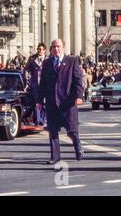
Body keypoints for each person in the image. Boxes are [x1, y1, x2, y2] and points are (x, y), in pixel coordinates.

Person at [36, 39, 84, 167]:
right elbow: (43, 84)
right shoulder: (47, 63)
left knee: (72, 131)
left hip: (67, 102)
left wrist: (79, 96)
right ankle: (55, 157)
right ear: (51, 49)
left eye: (58, 46)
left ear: (63, 47)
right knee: (53, 131)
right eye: (53, 47)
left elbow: (78, 80)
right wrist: (39, 101)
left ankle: (77, 146)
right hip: (52, 102)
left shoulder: (72, 61)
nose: (56, 49)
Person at [23, 43, 47, 126]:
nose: (39, 51)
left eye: (41, 49)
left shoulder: (48, 59)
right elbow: (26, 69)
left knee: (44, 103)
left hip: (45, 85)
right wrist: (27, 80)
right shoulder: (32, 59)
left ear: (44, 50)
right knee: (37, 102)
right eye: (38, 49)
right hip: (35, 85)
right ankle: (37, 120)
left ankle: (42, 120)